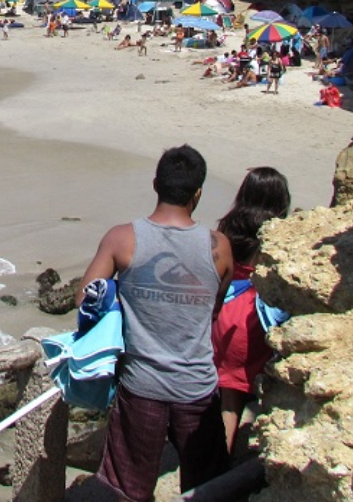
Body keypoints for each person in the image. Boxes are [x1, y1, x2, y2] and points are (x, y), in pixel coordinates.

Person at [77, 145, 232, 501]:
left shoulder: (122, 238)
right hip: (196, 385)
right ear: (198, 193)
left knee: (128, 488)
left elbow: (86, 298)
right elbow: (214, 307)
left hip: (140, 383)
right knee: (207, 485)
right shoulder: (219, 247)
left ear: (155, 184)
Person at [211, 167, 291, 454]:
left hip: (227, 313)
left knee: (228, 400)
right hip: (258, 316)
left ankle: (217, 465)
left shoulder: (228, 227)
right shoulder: (278, 234)